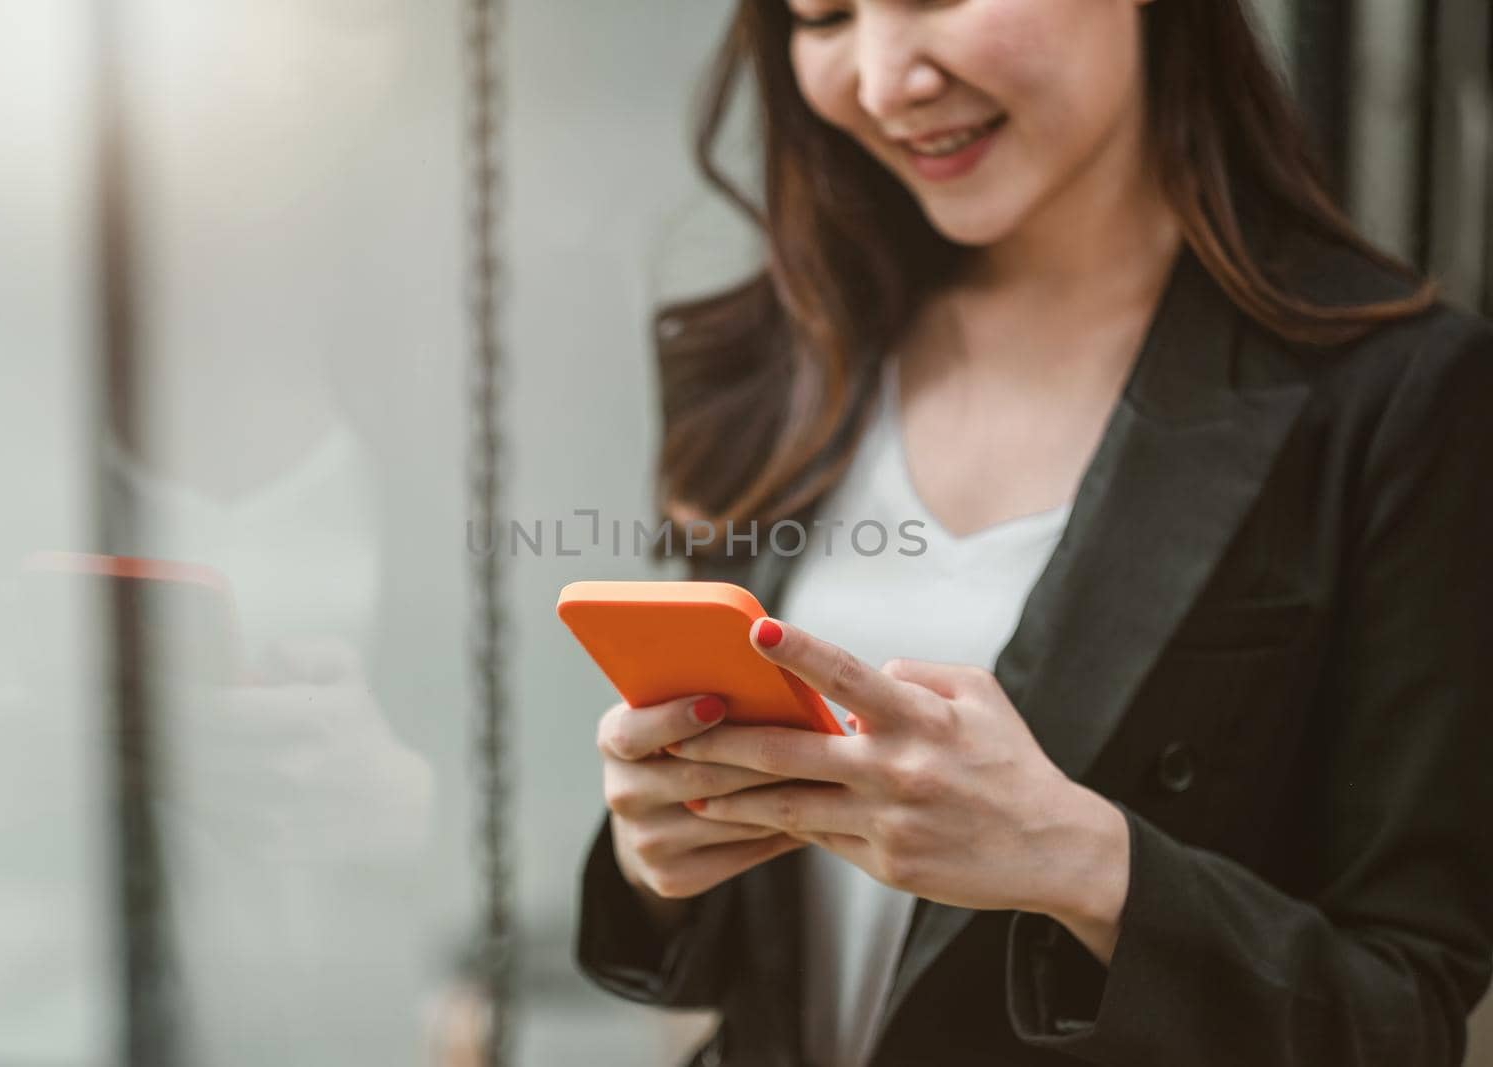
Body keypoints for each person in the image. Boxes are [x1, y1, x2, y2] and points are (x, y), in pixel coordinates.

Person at [572, 0, 1493, 1064]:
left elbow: (1400, 1013)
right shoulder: (772, 357)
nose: (881, 80)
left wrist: (1081, 860)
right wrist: (658, 853)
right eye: (821, 15)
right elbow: (741, 948)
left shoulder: (1399, 398)